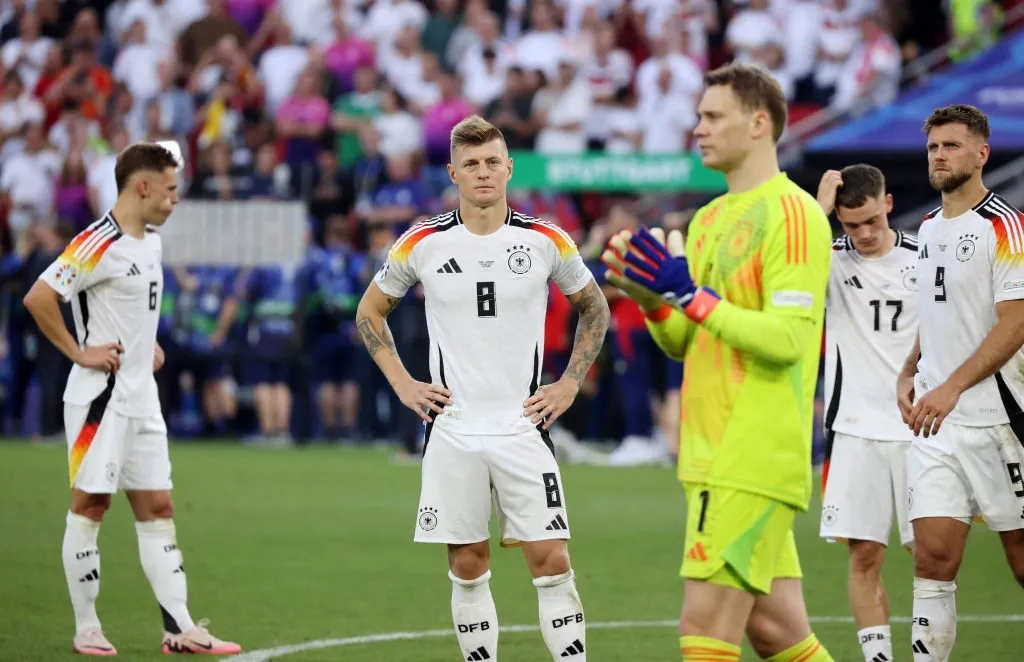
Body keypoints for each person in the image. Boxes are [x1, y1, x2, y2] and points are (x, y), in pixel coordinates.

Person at [602, 63, 835, 661]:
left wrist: (690, 295)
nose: (698, 129)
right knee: (777, 632)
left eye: (712, 116)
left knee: (703, 628)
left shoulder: (794, 214)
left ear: (759, 124)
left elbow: (788, 338)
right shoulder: (707, 219)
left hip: (751, 453)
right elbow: (685, 340)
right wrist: (653, 301)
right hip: (710, 452)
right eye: (698, 117)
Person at [355, 114, 610, 661]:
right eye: (470, 164)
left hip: (523, 426)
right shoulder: (421, 242)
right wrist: (403, 384)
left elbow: (595, 307)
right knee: (468, 566)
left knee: (552, 561)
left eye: (493, 161)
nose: (483, 172)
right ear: (453, 173)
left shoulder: (545, 239)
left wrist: (569, 383)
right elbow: (369, 312)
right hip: (454, 429)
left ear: (509, 168)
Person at [22, 142, 241, 656]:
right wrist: (80, 352)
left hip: (143, 399)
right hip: (100, 401)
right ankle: (87, 628)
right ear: (143, 187)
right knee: (91, 505)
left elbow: (131, 308)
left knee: (158, 506)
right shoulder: (96, 242)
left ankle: (180, 629)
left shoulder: (152, 242)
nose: (175, 199)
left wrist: (148, 344)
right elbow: (39, 297)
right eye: (170, 189)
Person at [896, 104, 1024, 662]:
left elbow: (1016, 323)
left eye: (951, 146)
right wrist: (910, 368)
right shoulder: (928, 228)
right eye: (933, 147)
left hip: (1003, 421)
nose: (940, 156)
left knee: (1021, 562)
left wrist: (951, 387)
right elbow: (937, 313)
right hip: (939, 427)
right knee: (932, 559)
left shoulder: (1005, 227)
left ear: (981, 153)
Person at [816, 164, 918, 662]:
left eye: (872, 221)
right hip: (854, 430)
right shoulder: (827, 258)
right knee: (864, 555)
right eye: (851, 225)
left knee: (931, 557)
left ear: (888, 204)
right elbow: (782, 267)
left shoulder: (926, 257)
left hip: (921, 429)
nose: (864, 234)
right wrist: (818, 209)